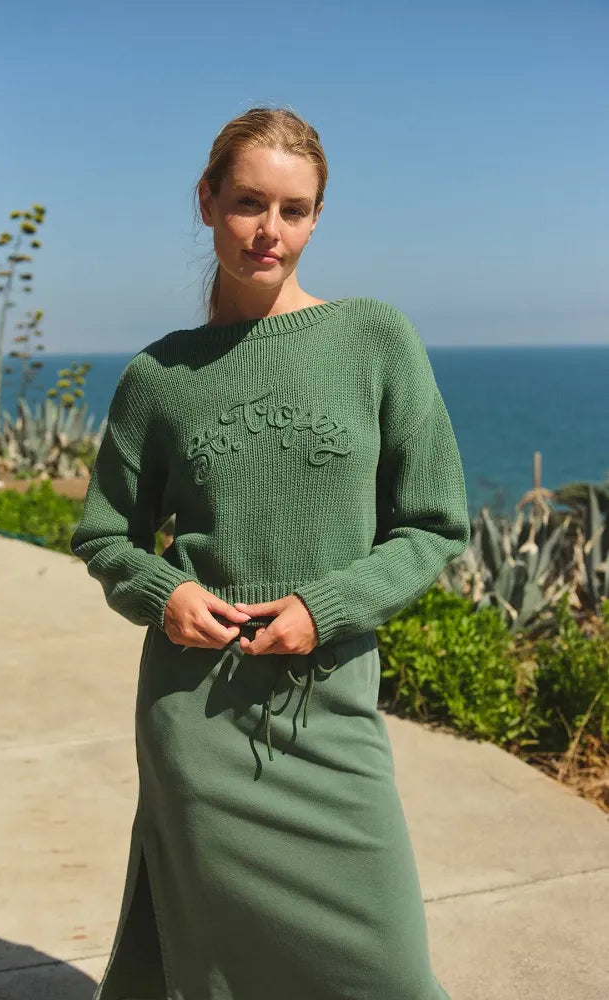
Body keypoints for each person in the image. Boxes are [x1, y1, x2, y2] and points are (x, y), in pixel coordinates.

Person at [70, 106, 471, 1000]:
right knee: (213, 959)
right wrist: (160, 591)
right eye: (249, 203)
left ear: (318, 217)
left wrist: (324, 608)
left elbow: (434, 524)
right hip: (195, 714)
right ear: (207, 201)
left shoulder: (374, 340)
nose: (268, 231)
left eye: (293, 210)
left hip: (330, 706)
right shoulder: (158, 377)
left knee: (389, 972)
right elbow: (104, 533)